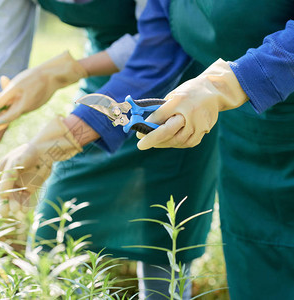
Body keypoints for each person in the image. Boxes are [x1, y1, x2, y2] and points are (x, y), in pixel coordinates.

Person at [0, 1, 219, 299]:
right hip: (103, 86)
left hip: (175, 85)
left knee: (163, 238)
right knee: (56, 232)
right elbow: (2, 80)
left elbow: (162, 39)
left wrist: (66, 74)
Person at [89, 0, 292, 299]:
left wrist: (229, 83)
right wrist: (65, 135)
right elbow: (154, 55)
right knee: (258, 272)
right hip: (248, 144)